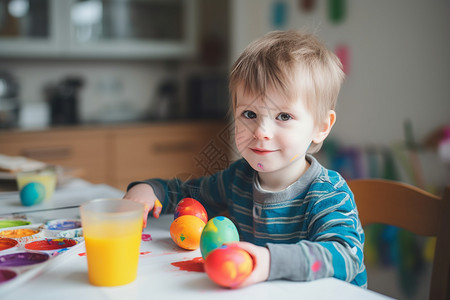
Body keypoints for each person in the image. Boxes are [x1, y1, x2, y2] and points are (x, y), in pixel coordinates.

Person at [123, 30, 367, 288]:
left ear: (321, 126)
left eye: (283, 116)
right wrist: (151, 190)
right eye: (249, 114)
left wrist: (270, 261)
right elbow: (189, 193)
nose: (261, 132)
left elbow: (346, 257)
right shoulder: (238, 178)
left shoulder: (327, 193)